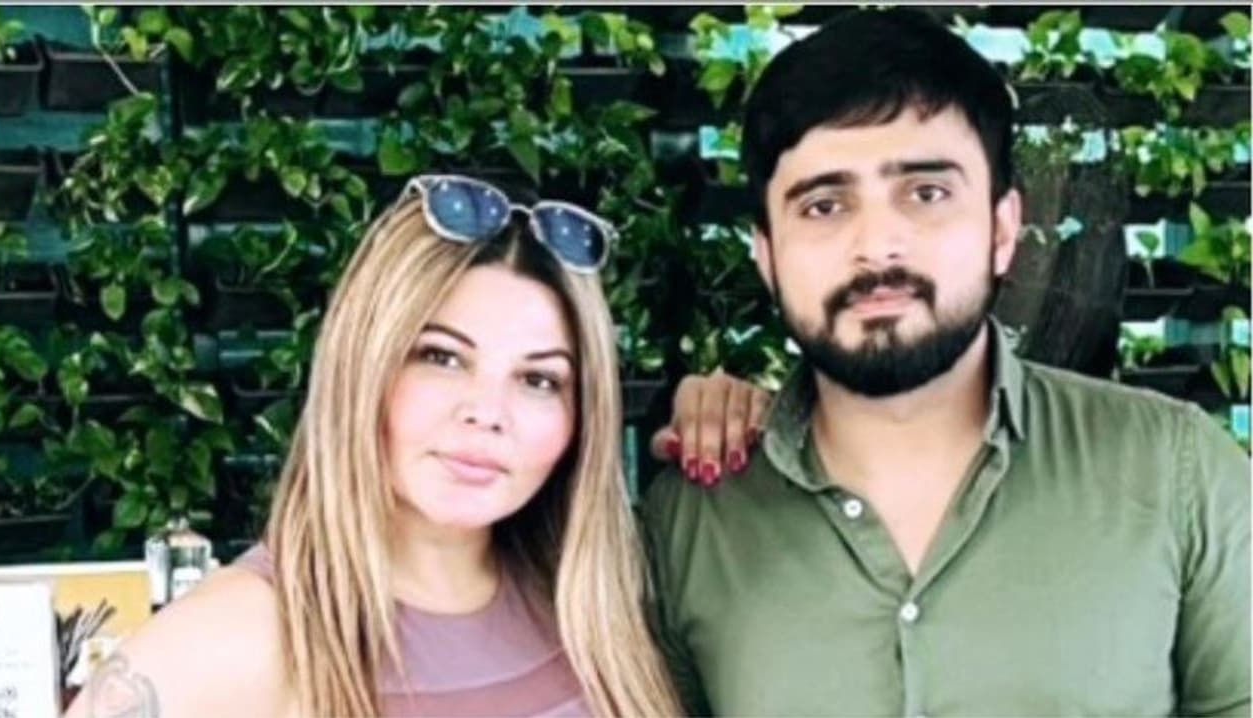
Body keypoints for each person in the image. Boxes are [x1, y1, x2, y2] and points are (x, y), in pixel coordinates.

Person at [641, 8, 1251, 717]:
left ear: (1002, 228)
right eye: (824, 205)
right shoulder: (691, 522)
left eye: (926, 193)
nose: (878, 246)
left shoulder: (1176, 474)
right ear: (767, 255)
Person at [64, 175, 760, 717]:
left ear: (583, 417)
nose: (486, 413)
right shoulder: (241, 636)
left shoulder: (596, 612)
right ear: (363, 364)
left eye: (539, 380)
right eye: (441, 357)